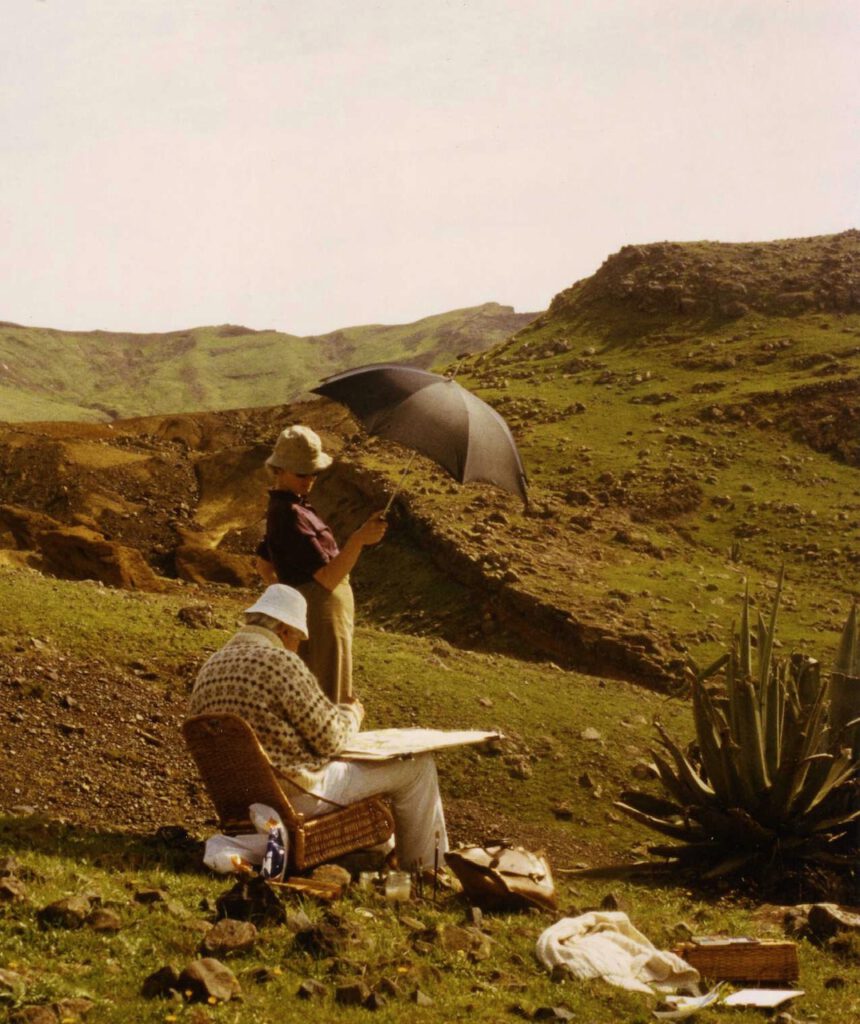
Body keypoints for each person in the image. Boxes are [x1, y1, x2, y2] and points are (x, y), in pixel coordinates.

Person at [188, 584, 448, 870]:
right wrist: (352, 712)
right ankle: (428, 868)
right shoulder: (280, 663)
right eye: (298, 639)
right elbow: (331, 738)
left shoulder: (210, 666)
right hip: (296, 793)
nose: (297, 647)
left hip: (241, 801)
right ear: (285, 629)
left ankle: (373, 851)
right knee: (417, 766)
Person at [255, 424, 387, 705]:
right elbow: (327, 578)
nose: (309, 480)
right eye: (302, 474)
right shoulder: (289, 514)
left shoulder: (290, 507)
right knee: (326, 694)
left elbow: (263, 564)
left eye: (313, 473)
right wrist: (359, 540)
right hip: (319, 618)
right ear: (279, 470)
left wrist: (285, 599)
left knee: (326, 690)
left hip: (318, 615)